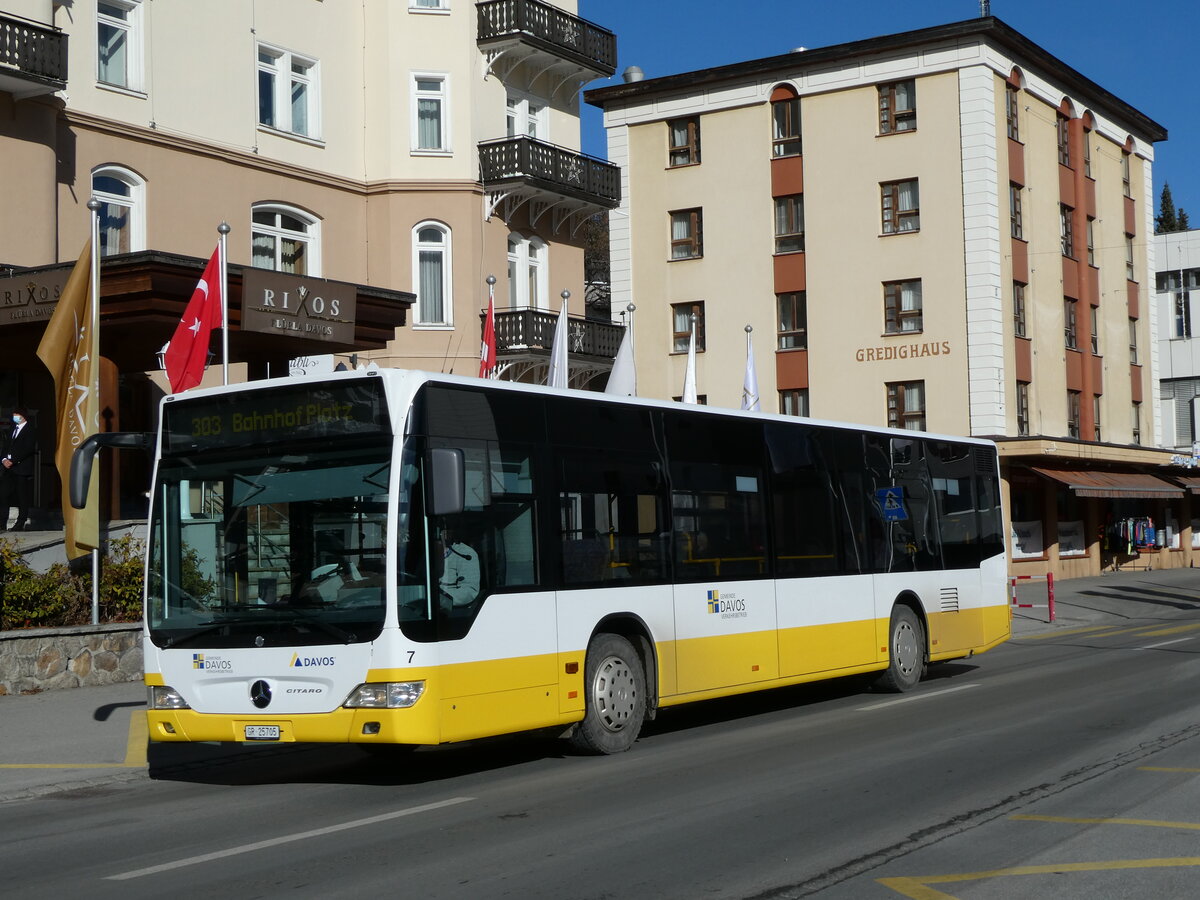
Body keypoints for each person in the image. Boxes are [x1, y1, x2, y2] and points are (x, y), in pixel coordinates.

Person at [1, 407, 37, 532]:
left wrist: (14, 460)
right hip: (8, 468)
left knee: (22, 495)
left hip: (21, 468)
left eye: (16, 414)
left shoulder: (30, 430)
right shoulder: (12, 429)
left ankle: (20, 522)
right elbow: (6, 446)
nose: (14, 416)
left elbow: (28, 449)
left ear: (23, 416)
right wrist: (4, 459)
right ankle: (2, 523)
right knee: (3, 494)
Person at [438, 525, 480, 610]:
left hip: (452, 612)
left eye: (448, 528)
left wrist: (439, 599)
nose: (446, 532)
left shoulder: (465, 554)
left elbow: (469, 591)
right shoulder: (427, 554)